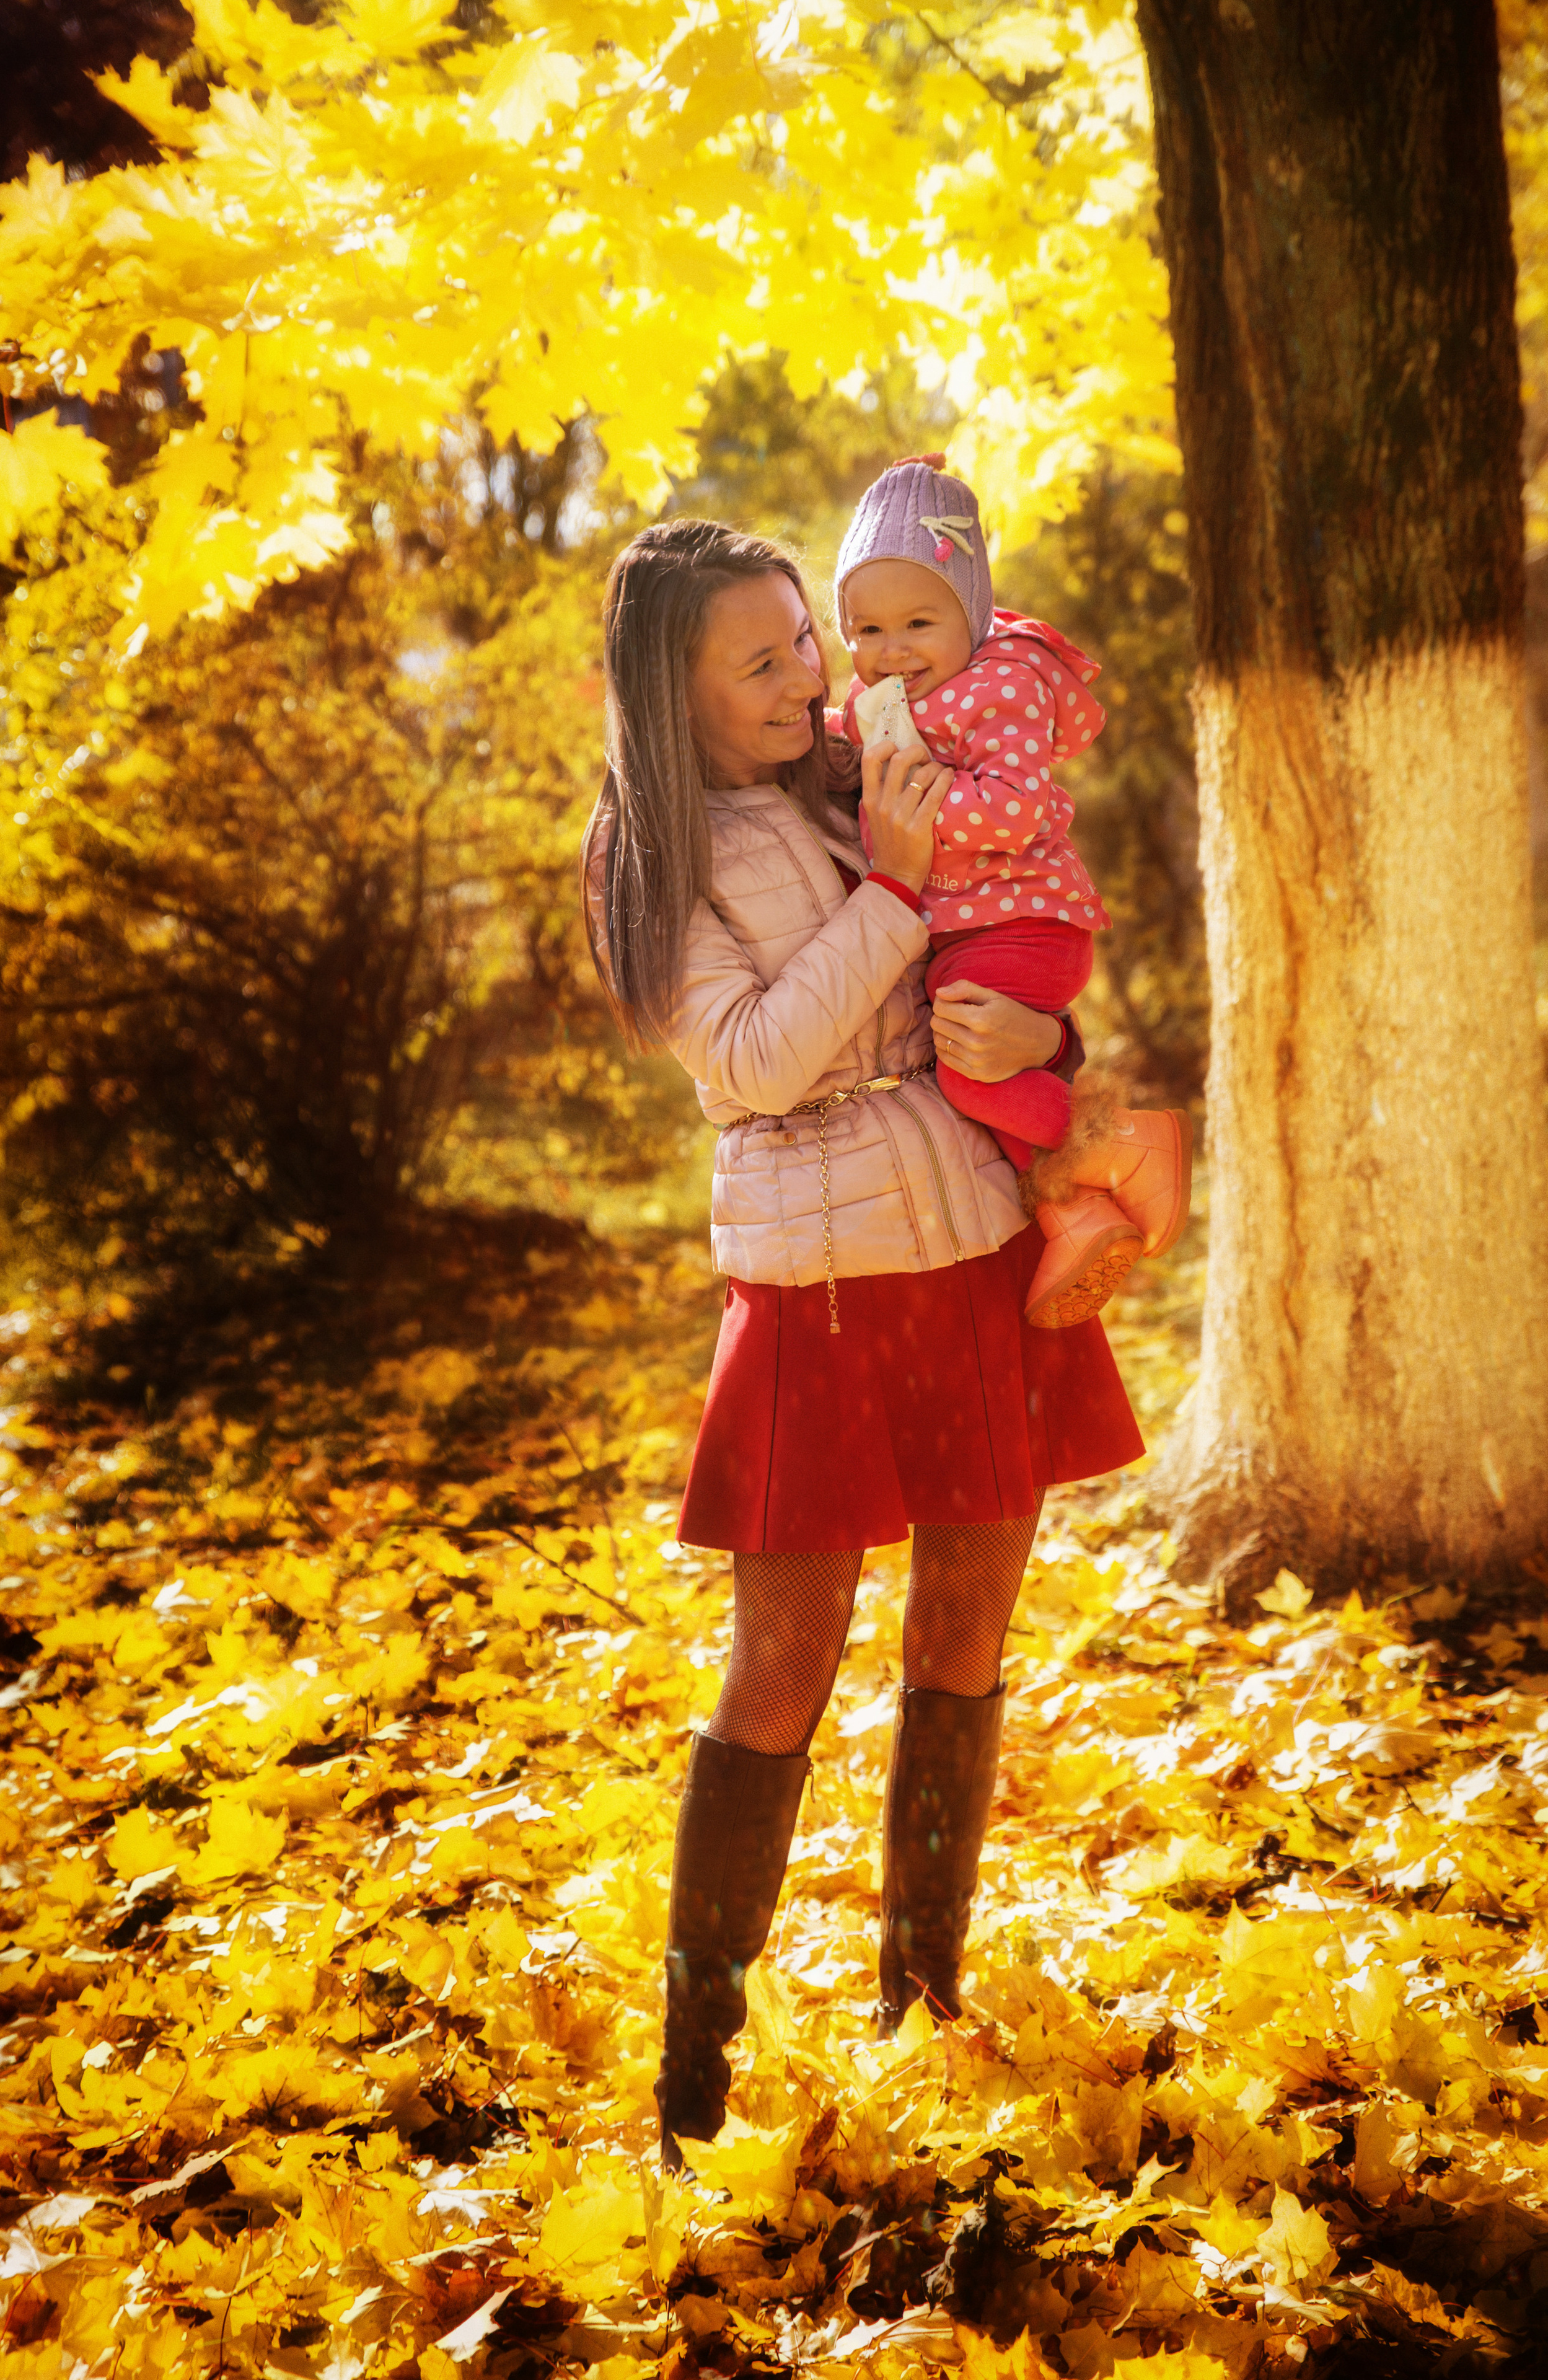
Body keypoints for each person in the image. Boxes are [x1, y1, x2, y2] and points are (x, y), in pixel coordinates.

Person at [581, 517, 1145, 2173]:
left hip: (972, 1244)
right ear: (671, 693)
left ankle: (923, 2005)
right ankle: (694, 2084)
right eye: (758, 661)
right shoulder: (650, 852)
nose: (805, 679)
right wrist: (892, 888)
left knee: (966, 1626)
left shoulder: (874, 766)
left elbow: (1005, 932)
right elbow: (753, 1062)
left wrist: (1042, 1031)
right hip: (816, 1278)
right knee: (783, 1660)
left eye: (803, 642)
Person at [833, 454, 1193, 1328]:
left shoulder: (1000, 687)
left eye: (919, 623)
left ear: (971, 616)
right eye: (867, 629)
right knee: (977, 1075)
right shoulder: (878, 702)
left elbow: (1016, 808)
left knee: (969, 1077)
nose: (891, 650)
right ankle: (1078, 1215)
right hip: (971, 935)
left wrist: (919, 804)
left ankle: (1131, 1146)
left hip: (1026, 923)